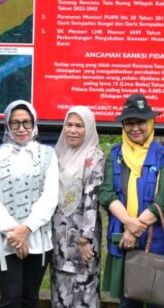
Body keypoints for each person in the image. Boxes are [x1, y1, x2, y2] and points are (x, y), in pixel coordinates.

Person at [99, 94, 164, 307]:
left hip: (157, 241)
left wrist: (133, 229)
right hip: (125, 241)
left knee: (158, 301)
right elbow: (107, 193)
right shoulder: (116, 154)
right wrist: (129, 223)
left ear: (151, 122)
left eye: (141, 122)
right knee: (128, 301)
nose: (135, 128)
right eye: (129, 123)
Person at [0, 100, 58, 307]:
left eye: (27, 122)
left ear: (34, 124)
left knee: (30, 299)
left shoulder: (48, 155)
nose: (21, 128)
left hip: (38, 239)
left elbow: (50, 197)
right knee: (10, 299)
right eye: (15, 123)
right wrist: (15, 234)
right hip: (7, 240)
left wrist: (26, 229)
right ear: (7, 124)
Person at [51, 106, 105, 307]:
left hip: (83, 237)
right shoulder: (57, 155)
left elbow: (92, 199)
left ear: (89, 128)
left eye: (79, 126)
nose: (72, 130)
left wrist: (85, 238)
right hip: (58, 234)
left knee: (83, 290)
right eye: (69, 124)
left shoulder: (94, 157)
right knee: (60, 288)